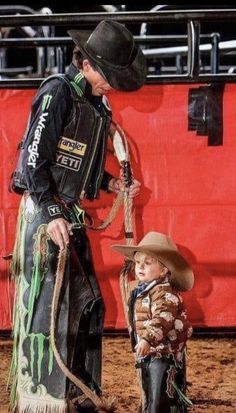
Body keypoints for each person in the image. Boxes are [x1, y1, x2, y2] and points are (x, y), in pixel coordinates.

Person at [9, 20, 147, 413]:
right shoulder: (56, 93)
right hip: (45, 214)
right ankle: (44, 399)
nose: (111, 84)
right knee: (51, 307)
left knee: (87, 303)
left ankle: (80, 392)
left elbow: (78, 163)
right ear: (86, 64)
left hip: (67, 213)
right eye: (109, 75)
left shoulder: (95, 104)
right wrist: (51, 212)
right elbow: (33, 160)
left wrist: (110, 185)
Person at [112, 231, 194, 413]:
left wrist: (147, 339)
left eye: (147, 263)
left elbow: (162, 319)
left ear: (164, 270)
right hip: (152, 351)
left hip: (163, 352)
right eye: (138, 262)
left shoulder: (165, 293)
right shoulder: (145, 290)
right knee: (151, 386)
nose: (140, 266)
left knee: (159, 390)